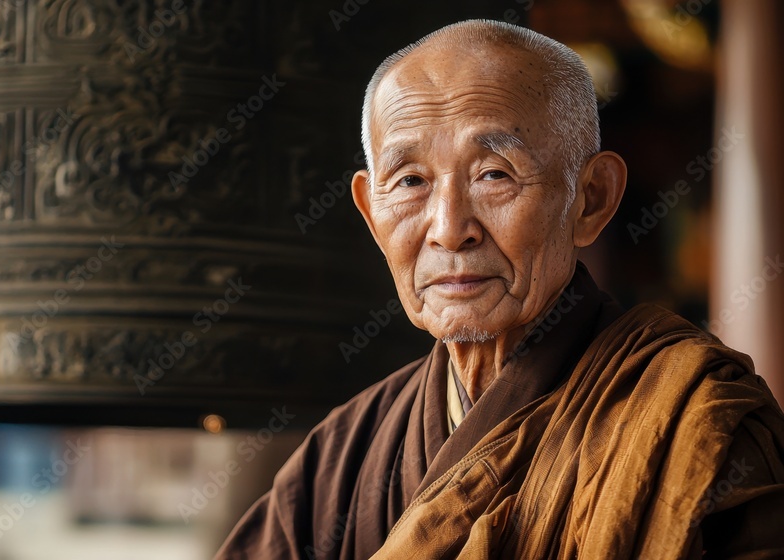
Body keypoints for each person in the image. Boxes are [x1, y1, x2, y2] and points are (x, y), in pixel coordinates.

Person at [215, 19, 784, 559]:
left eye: (494, 174)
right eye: (410, 181)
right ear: (370, 211)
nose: (447, 228)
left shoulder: (695, 417)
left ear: (591, 199)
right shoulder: (345, 456)